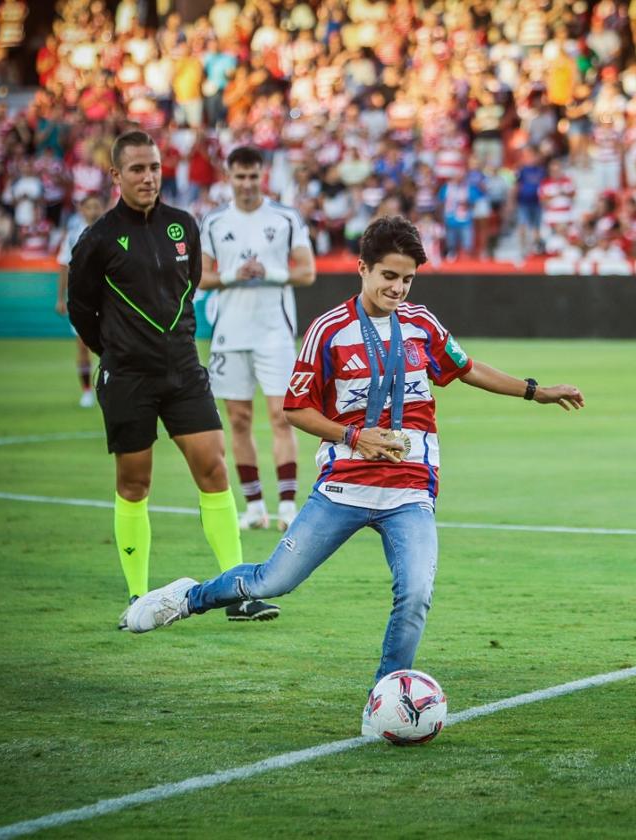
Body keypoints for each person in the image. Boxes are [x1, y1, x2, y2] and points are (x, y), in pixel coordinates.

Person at [125, 215, 585, 686]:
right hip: (344, 487)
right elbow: (296, 409)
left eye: (407, 279)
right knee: (272, 581)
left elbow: (467, 368)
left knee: (416, 592)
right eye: (389, 276)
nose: (399, 288)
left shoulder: (422, 324)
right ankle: (187, 597)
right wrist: (352, 436)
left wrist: (535, 390)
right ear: (363, 268)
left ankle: (389, 695)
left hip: (410, 490)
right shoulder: (328, 330)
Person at [66, 130, 266, 627]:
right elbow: (80, 310)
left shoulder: (183, 226)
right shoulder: (97, 240)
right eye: (136, 169)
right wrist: (114, 353)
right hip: (128, 377)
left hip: (183, 371)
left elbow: (191, 282)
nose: (148, 177)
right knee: (135, 483)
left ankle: (237, 589)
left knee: (214, 469)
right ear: (115, 175)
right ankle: (138, 596)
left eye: (154, 167)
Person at [199, 146, 317, 534]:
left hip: (274, 332)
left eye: (253, 176)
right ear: (228, 177)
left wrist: (270, 270)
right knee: (239, 419)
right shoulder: (214, 221)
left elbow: (307, 272)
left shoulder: (284, 218)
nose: (247, 184)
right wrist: (234, 274)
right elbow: (200, 277)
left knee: (284, 416)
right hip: (230, 333)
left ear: (262, 176)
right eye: (240, 177)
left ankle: (286, 505)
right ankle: (253, 507)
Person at [56, 192, 104, 408]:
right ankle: (86, 391)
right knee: (82, 346)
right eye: (89, 207)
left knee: (113, 344)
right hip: (81, 300)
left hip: (107, 300)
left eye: (96, 206)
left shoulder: (112, 232)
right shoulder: (73, 235)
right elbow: (64, 267)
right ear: (82, 210)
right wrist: (60, 298)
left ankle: (109, 386)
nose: (93, 210)